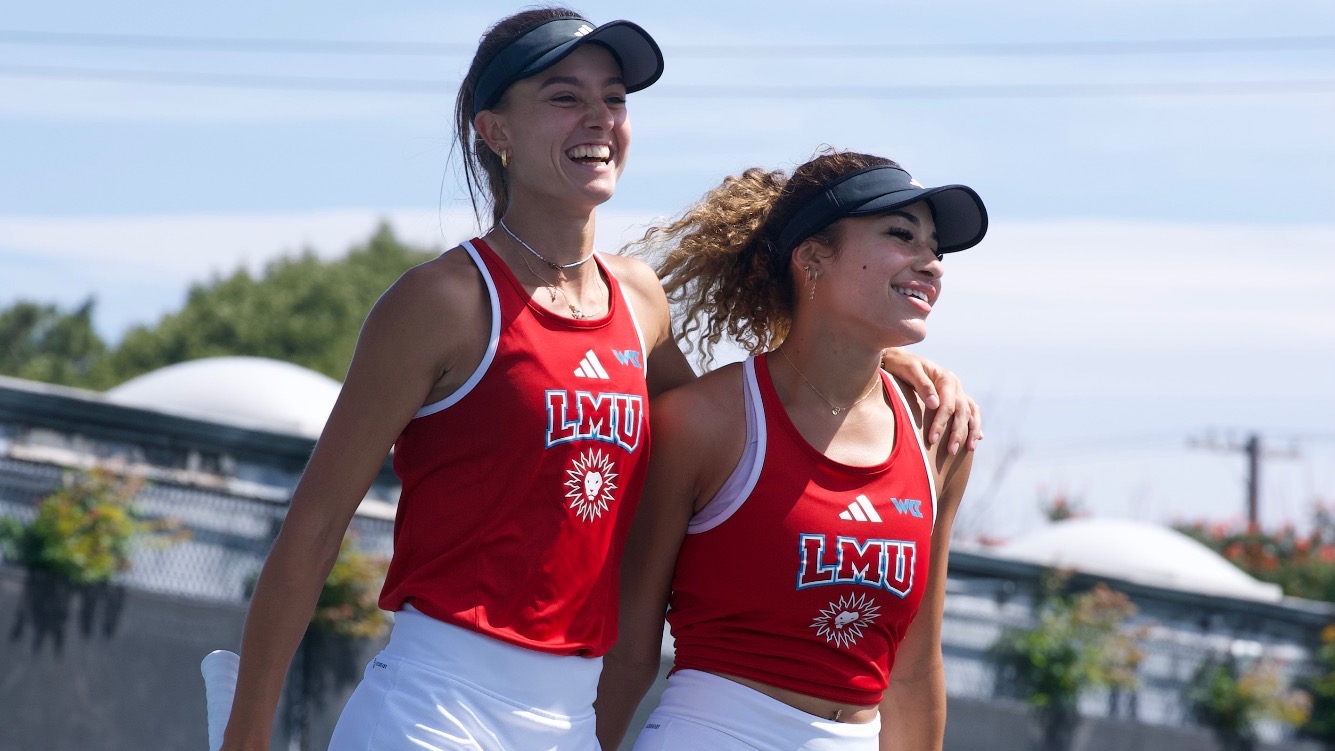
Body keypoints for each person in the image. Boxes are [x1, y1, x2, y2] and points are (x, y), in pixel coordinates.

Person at [217, 8, 979, 750]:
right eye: (565, 97)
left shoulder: (639, 302)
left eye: (613, 99)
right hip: (435, 704)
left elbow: (754, 420)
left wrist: (872, 359)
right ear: (495, 131)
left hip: (570, 720)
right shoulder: (442, 300)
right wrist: (247, 734)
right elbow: (315, 526)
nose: (599, 119)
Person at [595, 149, 986, 751]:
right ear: (813, 258)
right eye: (901, 235)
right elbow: (628, 648)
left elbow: (912, 671)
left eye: (935, 248)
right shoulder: (702, 422)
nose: (930, 263)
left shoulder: (940, 435)